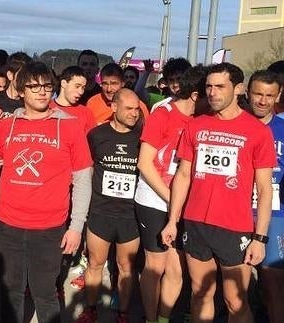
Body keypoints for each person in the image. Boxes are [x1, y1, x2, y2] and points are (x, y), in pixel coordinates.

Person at [161, 63, 276, 323]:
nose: (212, 93)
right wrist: (172, 220)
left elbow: (265, 189)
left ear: (238, 89)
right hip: (197, 223)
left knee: (235, 301)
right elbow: (182, 176)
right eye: (209, 87)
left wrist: (260, 237)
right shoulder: (196, 126)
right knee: (201, 294)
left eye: (220, 87)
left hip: (234, 226)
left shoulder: (258, 131)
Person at [0, 61, 92, 323]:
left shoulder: (69, 126)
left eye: (47, 86)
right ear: (21, 90)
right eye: (34, 86)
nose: (41, 92)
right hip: (8, 224)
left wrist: (76, 226)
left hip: (49, 227)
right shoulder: (7, 125)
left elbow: (83, 179)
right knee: (10, 291)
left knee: (45, 293)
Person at [134, 65, 208, 323]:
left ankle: (164, 318)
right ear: (197, 95)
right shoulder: (163, 113)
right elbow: (145, 163)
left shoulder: (203, 120)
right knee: (156, 266)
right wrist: (172, 200)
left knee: (177, 268)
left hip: (183, 204)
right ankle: (150, 318)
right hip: (154, 199)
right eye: (208, 92)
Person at [77, 88, 142, 323]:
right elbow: (86, 169)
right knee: (95, 264)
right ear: (114, 108)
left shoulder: (142, 136)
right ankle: (90, 309)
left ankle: (123, 314)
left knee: (126, 267)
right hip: (101, 211)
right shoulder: (97, 135)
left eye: (137, 109)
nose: (134, 114)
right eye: (129, 109)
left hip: (129, 214)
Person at [247, 69, 284, 323]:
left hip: (275, 214)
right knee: (234, 287)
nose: (263, 100)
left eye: (269, 95)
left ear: (278, 96)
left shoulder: (282, 128)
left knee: (274, 287)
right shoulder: (235, 124)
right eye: (258, 94)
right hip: (235, 211)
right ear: (247, 93)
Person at [49, 65, 96, 133]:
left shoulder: (86, 113)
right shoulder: (46, 108)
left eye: (83, 88)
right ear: (64, 83)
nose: (81, 92)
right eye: (77, 86)